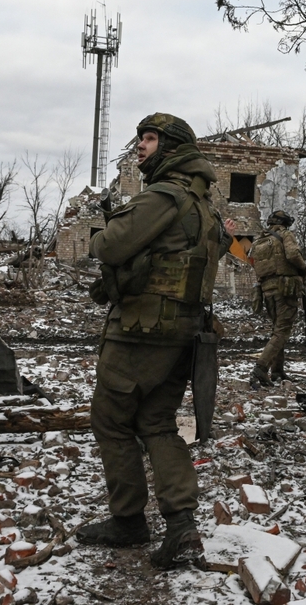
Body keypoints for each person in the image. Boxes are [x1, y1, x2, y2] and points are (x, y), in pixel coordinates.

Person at [79, 112, 234, 569]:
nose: (142, 146)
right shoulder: (204, 205)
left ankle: (128, 520)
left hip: (140, 334)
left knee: (110, 420)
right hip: (183, 333)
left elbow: (107, 247)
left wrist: (106, 234)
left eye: (150, 139)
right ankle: (182, 527)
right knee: (158, 423)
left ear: (173, 149)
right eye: (141, 138)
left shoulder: (163, 195)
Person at [248, 210, 306, 388]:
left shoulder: (259, 241)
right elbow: (293, 255)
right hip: (285, 289)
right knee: (282, 331)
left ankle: (277, 370)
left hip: (267, 290)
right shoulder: (285, 235)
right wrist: (303, 268)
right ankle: (260, 368)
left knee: (277, 330)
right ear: (285, 223)